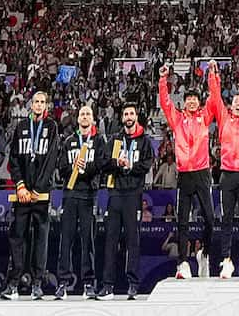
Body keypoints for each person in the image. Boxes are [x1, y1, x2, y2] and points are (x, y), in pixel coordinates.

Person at [158, 64, 215, 280]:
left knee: (209, 219)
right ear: (185, 102)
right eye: (189, 98)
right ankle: (182, 262)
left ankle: (205, 254)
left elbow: (214, 98)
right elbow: (165, 102)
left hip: (202, 173)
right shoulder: (177, 119)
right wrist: (163, 79)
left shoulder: (205, 116)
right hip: (184, 175)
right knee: (183, 221)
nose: (192, 101)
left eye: (195, 99)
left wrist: (213, 75)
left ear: (199, 103)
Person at [206, 62, 239, 276]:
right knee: (227, 218)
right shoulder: (224, 117)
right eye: (236, 100)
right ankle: (226, 260)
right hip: (227, 174)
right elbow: (215, 96)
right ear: (231, 105)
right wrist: (213, 73)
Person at [53, 100, 108, 298]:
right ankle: (62, 282)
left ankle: (88, 283)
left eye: (88, 114)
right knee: (65, 240)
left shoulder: (99, 141)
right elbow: (61, 168)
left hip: (88, 195)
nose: (85, 117)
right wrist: (73, 164)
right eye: (82, 114)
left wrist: (85, 167)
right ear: (78, 119)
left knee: (88, 241)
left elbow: (102, 164)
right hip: (69, 194)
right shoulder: (69, 141)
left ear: (93, 120)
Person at [6, 89, 58, 296]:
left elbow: (51, 159)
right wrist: (20, 185)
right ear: (31, 105)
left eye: (42, 102)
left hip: (41, 194)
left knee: (40, 238)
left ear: (46, 106)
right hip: (22, 194)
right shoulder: (21, 126)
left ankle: (37, 281)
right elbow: (14, 159)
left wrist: (37, 188)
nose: (38, 105)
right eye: (35, 101)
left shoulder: (51, 126)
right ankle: (14, 282)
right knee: (18, 236)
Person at [103, 100, 151, 297]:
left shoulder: (144, 141)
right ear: (122, 118)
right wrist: (117, 163)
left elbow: (147, 164)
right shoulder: (115, 140)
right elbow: (104, 163)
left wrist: (131, 166)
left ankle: (133, 283)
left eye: (132, 114)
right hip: (115, 193)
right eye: (126, 114)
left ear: (136, 117)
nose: (129, 117)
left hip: (133, 194)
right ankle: (107, 285)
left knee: (133, 241)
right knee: (110, 241)